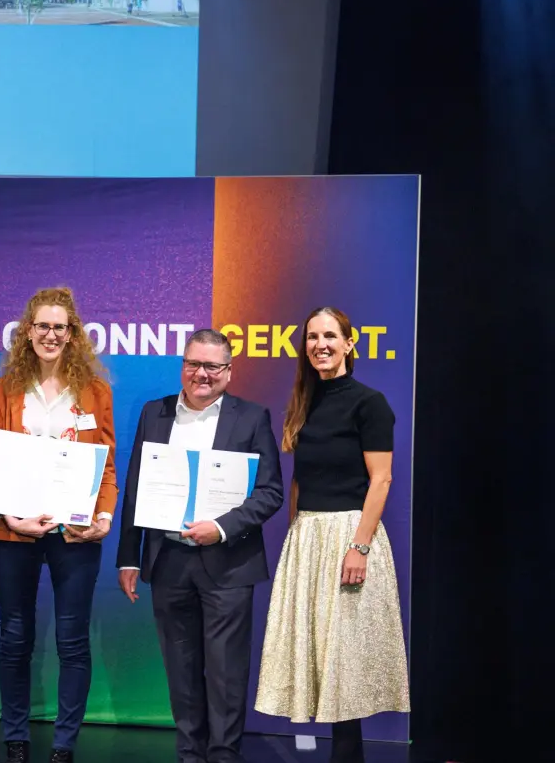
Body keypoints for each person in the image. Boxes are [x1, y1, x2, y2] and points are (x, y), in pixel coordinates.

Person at [115, 329, 284, 763]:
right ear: (182, 365)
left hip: (228, 562)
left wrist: (221, 528)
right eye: (194, 364)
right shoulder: (155, 413)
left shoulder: (252, 417)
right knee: (181, 669)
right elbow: (135, 488)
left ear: (229, 372)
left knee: (226, 672)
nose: (201, 374)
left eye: (212, 366)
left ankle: (224, 755)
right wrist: (128, 558)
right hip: (168, 560)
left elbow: (269, 492)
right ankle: (190, 754)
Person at [255, 308, 409, 763]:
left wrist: (358, 547)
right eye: (312, 337)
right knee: (321, 659)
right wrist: (295, 537)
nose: (320, 344)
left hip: (350, 537)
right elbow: (300, 477)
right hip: (308, 539)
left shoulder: (369, 403)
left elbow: (381, 480)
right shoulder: (305, 400)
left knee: (346, 665)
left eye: (329, 336)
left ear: (348, 343)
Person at [0, 287, 117, 763]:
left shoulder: (95, 392)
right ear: (28, 332)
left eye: (61, 327)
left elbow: (108, 467)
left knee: (72, 641)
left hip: (75, 535)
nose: (51, 335)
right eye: (43, 326)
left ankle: (64, 745)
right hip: (14, 533)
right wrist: (11, 517)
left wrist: (103, 518)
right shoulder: (5, 390)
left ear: (73, 333)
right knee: (15, 637)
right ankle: (16, 738)